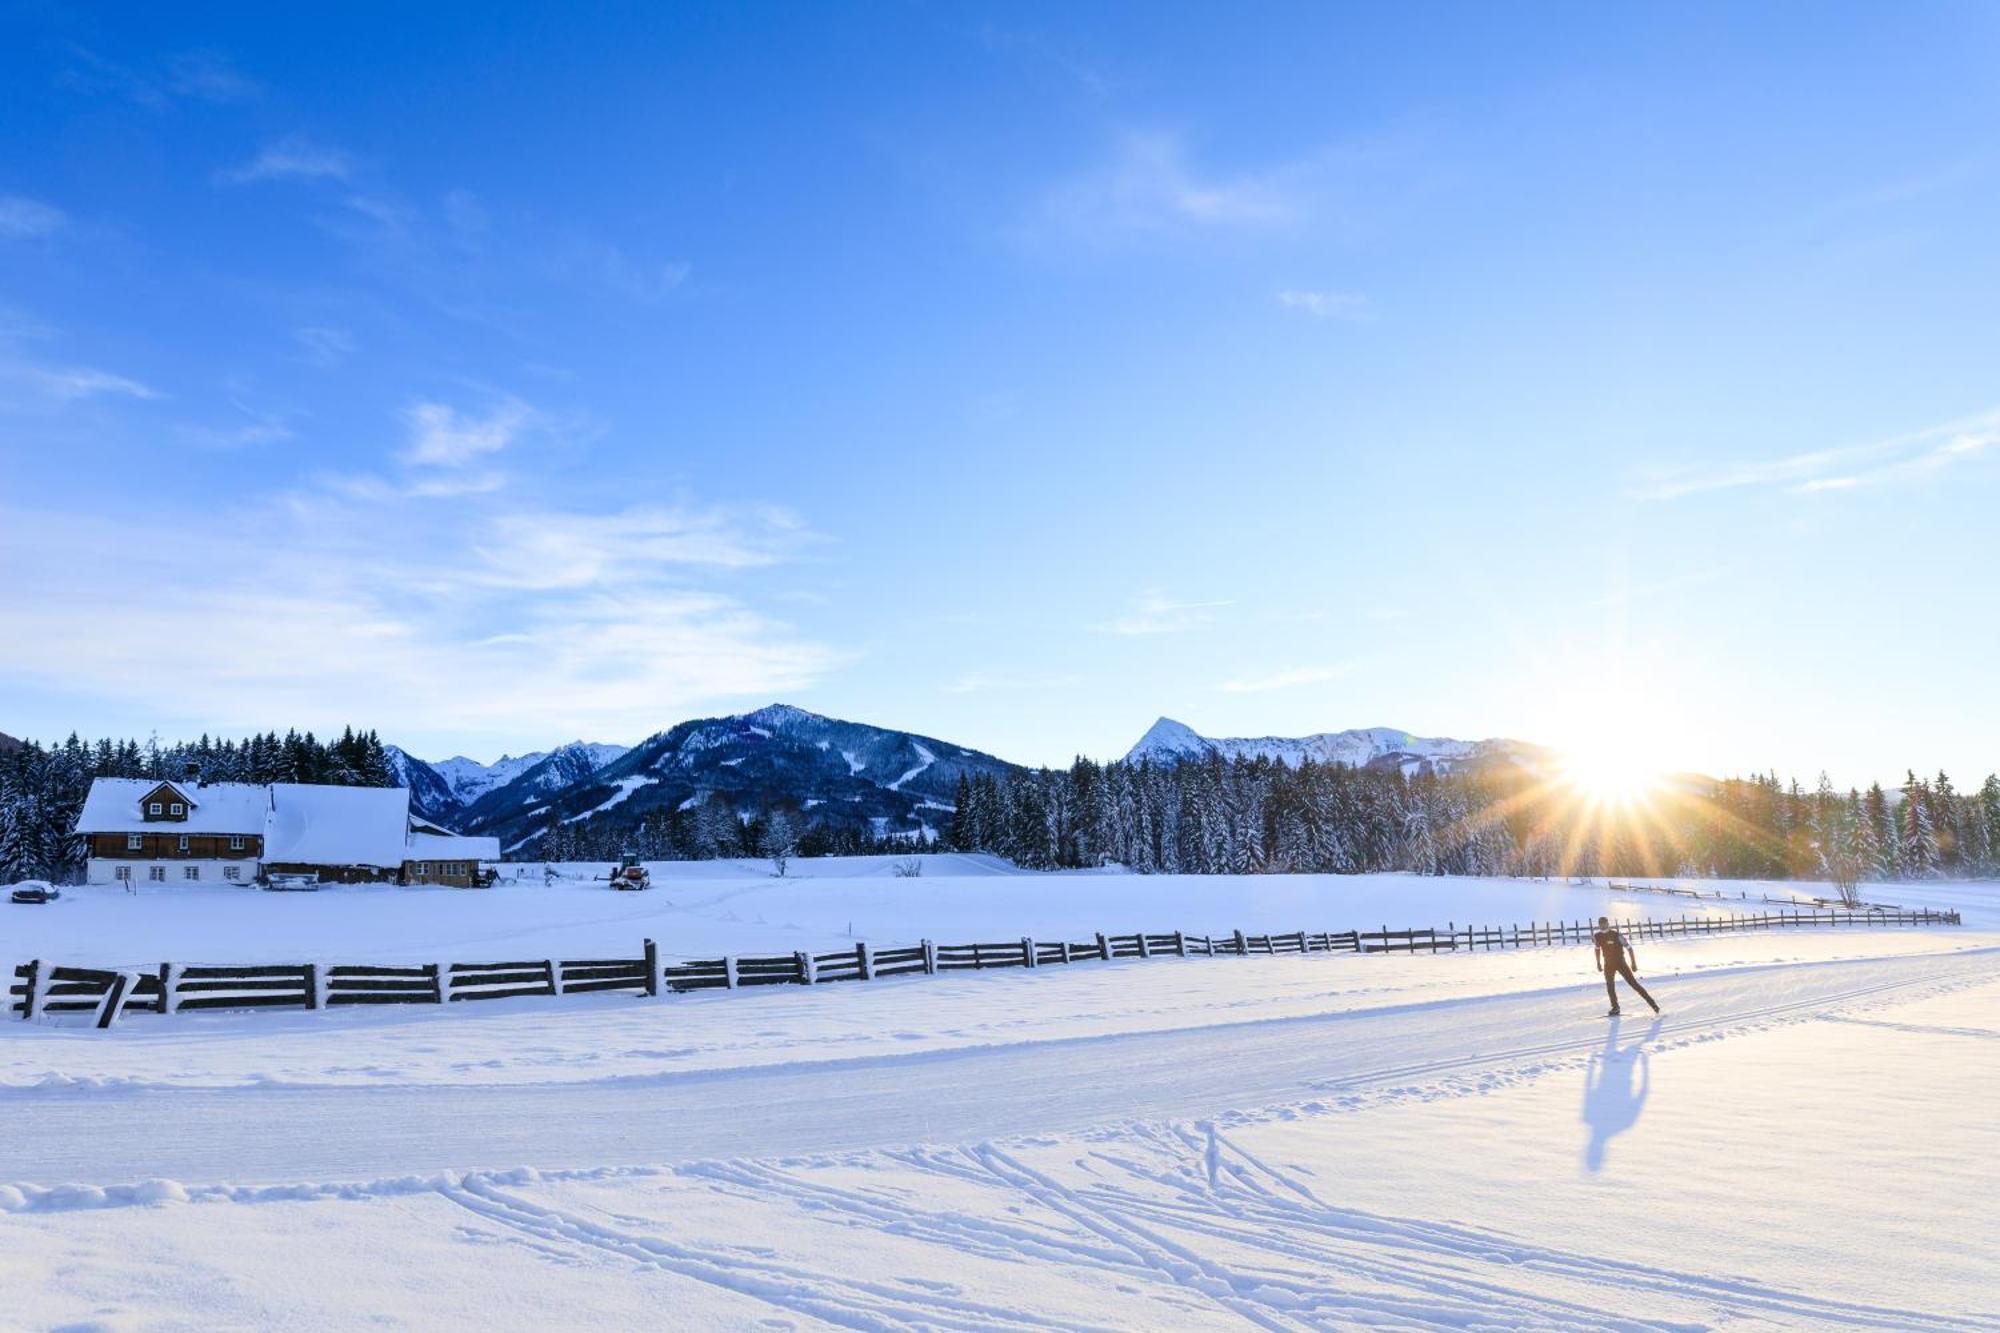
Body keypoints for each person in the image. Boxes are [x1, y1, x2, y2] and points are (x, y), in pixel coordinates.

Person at [1592, 916, 1659, 1017]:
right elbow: (1597, 949)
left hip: (1620, 963)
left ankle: (1653, 1005)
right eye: (1601, 924)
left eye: (1604, 924)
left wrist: (1633, 963)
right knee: (1610, 986)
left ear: (1608, 924)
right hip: (1608, 964)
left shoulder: (1616, 935)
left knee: (1634, 984)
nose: (1602, 926)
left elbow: (1629, 948)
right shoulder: (1597, 936)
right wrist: (1598, 963)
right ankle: (1615, 1008)